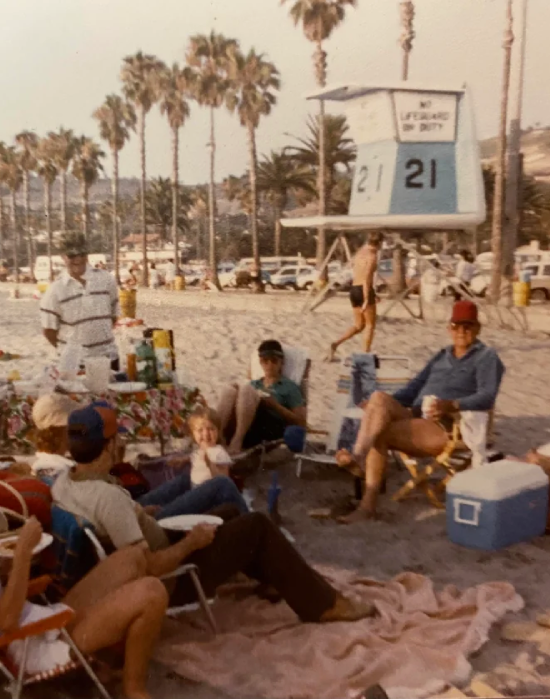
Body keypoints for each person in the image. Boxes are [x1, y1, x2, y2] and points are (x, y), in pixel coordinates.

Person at [52, 401, 375, 622]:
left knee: (228, 512)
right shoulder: (109, 499)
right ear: (109, 446)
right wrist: (190, 543)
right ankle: (324, 606)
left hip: (144, 550)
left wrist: (141, 512)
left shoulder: (63, 482)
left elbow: (120, 528)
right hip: (172, 580)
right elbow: (147, 567)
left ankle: (276, 578)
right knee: (257, 525)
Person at [0, 460, 167, 699]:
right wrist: (22, 554)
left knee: (131, 558)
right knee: (152, 592)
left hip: (39, 622)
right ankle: (134, 690)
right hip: (34, 646)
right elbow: (5, 621)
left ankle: (115, 658)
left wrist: (9, 571)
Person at [335, 300, 505, 523]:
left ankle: (367, 503)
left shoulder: (486, 357)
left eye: (468, 326)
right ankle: (359, 456)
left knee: (380, 432)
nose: (461, 331)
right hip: (417, 416)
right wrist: (380, 407)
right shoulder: (441, 355)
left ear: (478, 328)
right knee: (377, 399)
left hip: (446, 425)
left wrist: (451, 404)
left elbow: (487, 396)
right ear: (449, 328)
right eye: (456, 326)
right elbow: (414, 387)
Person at [136, 407, 248, 520]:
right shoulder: (200, 450)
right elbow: (194, 456)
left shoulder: (218, 452)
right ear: (193, 434)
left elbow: (224, 478)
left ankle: (159, 513)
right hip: (196, 488)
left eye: (211, 429)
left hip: (210, 499)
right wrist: (182, 460)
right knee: (184, 479)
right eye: (200, 430)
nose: (206, 434)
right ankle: (143, 507)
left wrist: (210, 464)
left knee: (187, 484)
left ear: (218, 432)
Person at [40, 233, 121, 370]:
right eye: (72, 256)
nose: (78, 259)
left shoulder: (106, 279)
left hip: (109, 358)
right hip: (75, 365)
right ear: (63, 257)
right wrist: (72, 352)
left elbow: (113, 316)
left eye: (82, 254)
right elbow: (49, 331)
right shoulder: (54, 290)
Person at [217, 340, 307, 455]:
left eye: (274, 361)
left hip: (268, 429)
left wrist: (275, 405)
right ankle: (219, 437)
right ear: (260, 362)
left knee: (246, 390)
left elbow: (301, 422)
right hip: (248, 424)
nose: (269, 365)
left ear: (281, 362)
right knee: (230, 389)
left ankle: (237, 441)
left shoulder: (289, 387)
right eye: (265, 361)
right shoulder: (255, 383)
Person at [327, 231, 383, 361]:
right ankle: (365, 354)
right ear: (379, 243)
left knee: (359, 325)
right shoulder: (372, 257)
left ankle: (336, 343)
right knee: (370, 325)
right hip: (364, 289)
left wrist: (373, 294)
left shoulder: (360, 253)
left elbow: (359, 274)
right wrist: (367, 298)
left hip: (354, 289)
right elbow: (367, 279)